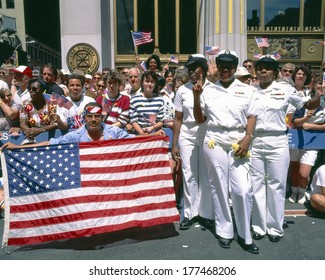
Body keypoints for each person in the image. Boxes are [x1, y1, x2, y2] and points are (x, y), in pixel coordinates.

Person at [193, 50, 258, 254]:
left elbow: (252, 115)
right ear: (217, 68)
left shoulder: (247, 89)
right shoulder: (208, 90)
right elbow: (199, 119)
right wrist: (196, 97)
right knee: (219, 187)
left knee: (242, 189)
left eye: (230, 66)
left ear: (235, 67)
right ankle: (225, 231)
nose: (226, 70)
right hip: (215, 139)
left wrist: (248, 137)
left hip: (239, 140)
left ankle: (245, 235)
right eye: (222, 66)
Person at [251, 55, 321, 243]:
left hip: (277, 141)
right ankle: (258, 226)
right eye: (260, 68)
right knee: (257, 185)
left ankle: (274, 227)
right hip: (255, 141)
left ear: (275, 72)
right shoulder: (250, 91)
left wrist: (318, 92)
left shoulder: (286, 89)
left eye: (268, 68)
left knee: (276, 185)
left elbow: (309, 104)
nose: (263, 71)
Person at [172, 54, 213, 231]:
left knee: (205, 175)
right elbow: (178, 118)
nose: (190, 70)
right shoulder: (182, 90)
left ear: (203, 69)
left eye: (194, 66)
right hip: (187, 134)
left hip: (207, 134)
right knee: (189, 175)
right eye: (189, 67)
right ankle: (189, 213)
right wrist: (174, 144)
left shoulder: (213, 89)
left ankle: (206, 214)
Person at [1, 102, 134, 149]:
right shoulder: (75, 136)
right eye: (90, 116)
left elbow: (136, 140)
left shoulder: (114, 132)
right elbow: (50, 143)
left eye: (97, 116)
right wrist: (17, 148)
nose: (93, 120)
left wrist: (155, 136)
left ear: (102, 117)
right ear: (84, 118)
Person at [288, 65, 316, 204]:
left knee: (304, 170)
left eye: (303, 75)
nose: (300, 76)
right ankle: (294, 192)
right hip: (292, 131)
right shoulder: (287, 90)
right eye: (298, 74)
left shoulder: (312, 92)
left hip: (311, 135)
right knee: (293, 165)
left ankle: (303, 192)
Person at [129, 71, 165, 136]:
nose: (149, 84)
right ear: (142, 83)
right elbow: (133, 121)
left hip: (155, 134)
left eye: (152, 82)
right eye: (147, 81)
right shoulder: (134, 100)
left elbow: (161, 121)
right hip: (139, 136)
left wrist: (151, 129)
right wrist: (141, 132)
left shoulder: (160, 100)